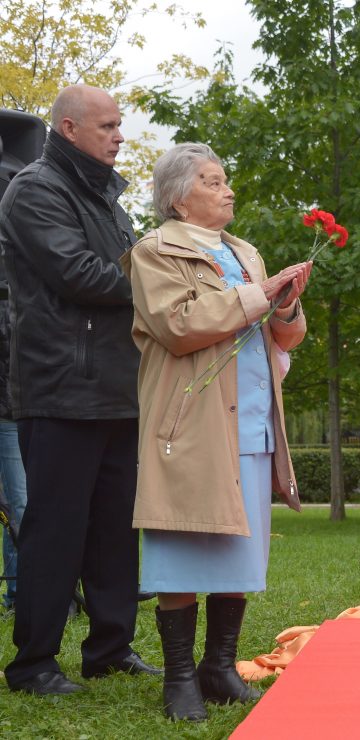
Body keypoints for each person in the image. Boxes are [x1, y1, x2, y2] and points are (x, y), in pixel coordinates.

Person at [123, 142, 309, 721]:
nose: (227, 190)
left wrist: (283, 308)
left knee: (239, 550)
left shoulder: (245, 252)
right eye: (212, 181)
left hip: (251, 424)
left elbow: (281, 338)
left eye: (225, 180)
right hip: (191, 424)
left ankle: (219, 668)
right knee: (182, 540)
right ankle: (179, 678)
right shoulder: (154, 251)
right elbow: (179, 326)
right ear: (179, 197)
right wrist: (258, 296)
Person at [0, 85, 160, 695]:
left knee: (116, 529)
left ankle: (110, 648)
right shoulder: (34, 189)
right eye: (109, 126)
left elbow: (122, 268)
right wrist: (163, 281)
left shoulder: (107, 199)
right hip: (62, 388)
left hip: (119, 386)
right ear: (69, 128)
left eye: (120, 125)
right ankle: (34, 662)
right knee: (55, 528)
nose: (120, 135)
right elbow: (79, 274)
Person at [0, 265, 27, 614]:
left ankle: (27, 595)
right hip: (8, 414)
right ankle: (19, 595)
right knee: (19, 506)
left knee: (30, 506)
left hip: (27, 412)